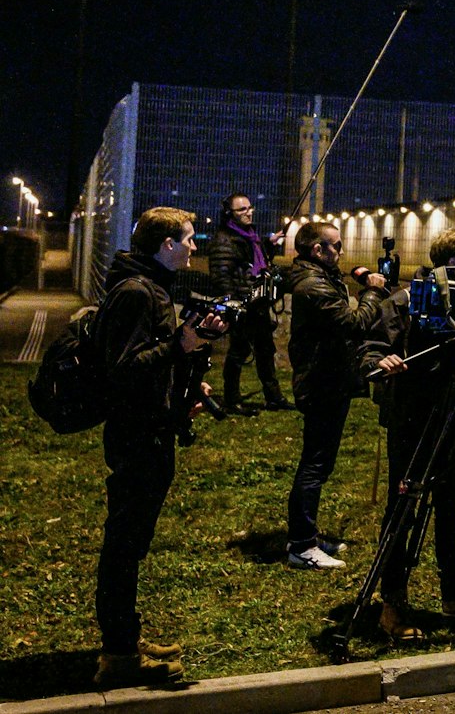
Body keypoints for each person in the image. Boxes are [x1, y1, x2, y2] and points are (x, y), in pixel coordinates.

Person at [93, 207, 228, 688]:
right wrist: (182, 343)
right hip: (137, 437)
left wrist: (187, 380)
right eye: (190, 239)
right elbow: (124, 369)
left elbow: (153, 362)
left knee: (132, 543)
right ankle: (119, 656)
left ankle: (124, 638)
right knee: (124, 546)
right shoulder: (135, 292)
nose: (196, 247)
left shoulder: (150, 286)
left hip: (151, 428)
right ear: (167, 244)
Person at [361, 227, 455, 639]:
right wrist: (382, 360)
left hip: (454, 413)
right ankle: (393, 605)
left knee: (450, 505)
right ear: (453, 262)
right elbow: (368, 346)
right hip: (412, 418)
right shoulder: (407, 301)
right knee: (402, 512)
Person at [281, 220, 388, 570]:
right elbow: (354, 323)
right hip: (322, 382)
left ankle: (305, 534)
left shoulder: (318, 277)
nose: (341, 252)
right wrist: (372, 292)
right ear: (318, 250)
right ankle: (301, 545)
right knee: (314, 463)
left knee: (319, 462)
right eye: (336, 246)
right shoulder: (314, 285)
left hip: (328, 378)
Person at [205, 193, 290, 414]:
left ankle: (274, 397)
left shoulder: (250, 236)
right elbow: (221, 276)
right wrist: (233, 304)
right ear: (229, 214)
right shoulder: (225, 239)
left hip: (257, 302)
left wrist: (269, 246)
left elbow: (252, 263)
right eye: (242, 209)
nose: (249, 212)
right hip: (241, 305)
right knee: (238, 352)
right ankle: (232, 399)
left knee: (265, 350)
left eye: (250, 208)